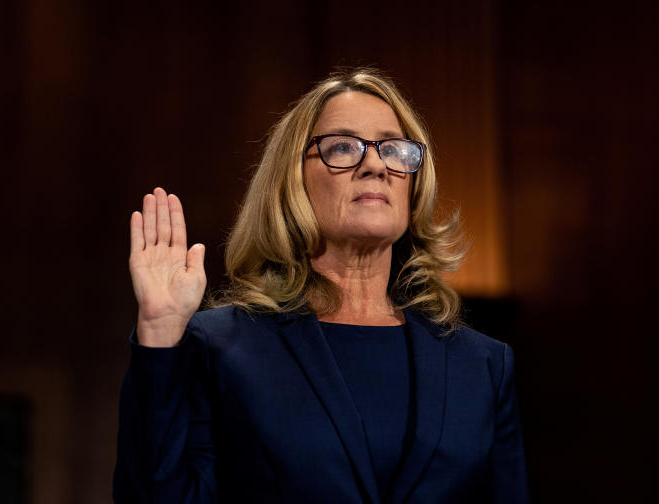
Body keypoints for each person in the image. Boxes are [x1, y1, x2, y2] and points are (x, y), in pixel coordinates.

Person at [114, 68, 528, 503]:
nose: (374, 165)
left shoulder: (483, 366)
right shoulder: (222, 349)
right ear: (293, 181)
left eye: (394, 149)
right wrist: (159, 333)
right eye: (343, 147)